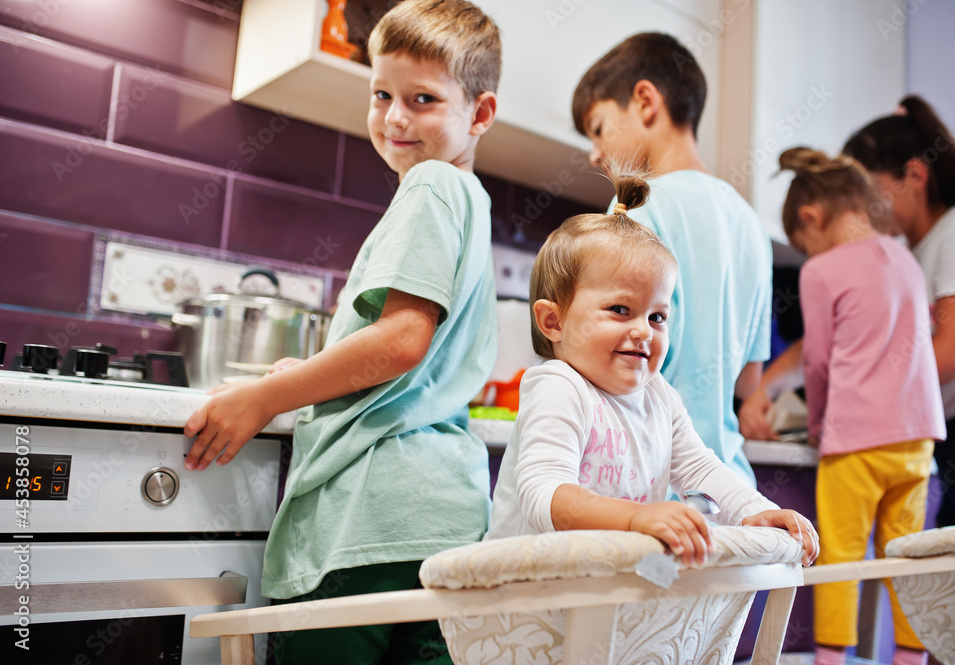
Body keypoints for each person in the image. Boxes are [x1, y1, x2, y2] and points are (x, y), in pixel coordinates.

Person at [183, 1, 502, 662]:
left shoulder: (431, 187)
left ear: (480, 114)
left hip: (369, 518)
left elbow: (400, 340)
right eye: (381, 93)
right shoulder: (470, 199)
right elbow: (410, 356)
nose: (394, 116)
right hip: (445, 520)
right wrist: (310, 370)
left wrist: (267, 397)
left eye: (422, 98)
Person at [487, 166, 818, 579]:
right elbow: (542, 495)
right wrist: (635, 519)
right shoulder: (560, 387)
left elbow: (702, 469)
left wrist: (759, 511)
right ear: (553, 322)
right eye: (620, 310)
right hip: (526, 602)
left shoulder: (659, 395)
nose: (644, 330)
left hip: (599, 596)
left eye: (658, 316)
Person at [571, 33, 773, 488]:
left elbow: (606, 357)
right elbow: (747, 382)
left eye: (599, 128)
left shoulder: (637, 207)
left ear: (645, 101)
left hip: (652, 482)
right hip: (727, 486)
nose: (594, 153)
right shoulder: (750, 224)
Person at [776, 147, 946, 665]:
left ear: (812, 217)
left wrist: (819, 424)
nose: (807, 255)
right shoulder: (906, 260)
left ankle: (831, 662)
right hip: (917, 437)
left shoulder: (821, 271)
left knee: (841, 560)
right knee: (908, 558)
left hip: (854, 441)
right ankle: (911, 661)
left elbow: (820, 364)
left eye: (803, 245)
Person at [844, 95, 955, 528]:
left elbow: (953, 355)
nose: (864, 211)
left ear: (915, 174)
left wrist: (859, 391)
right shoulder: (904, 253)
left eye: (870, 195)